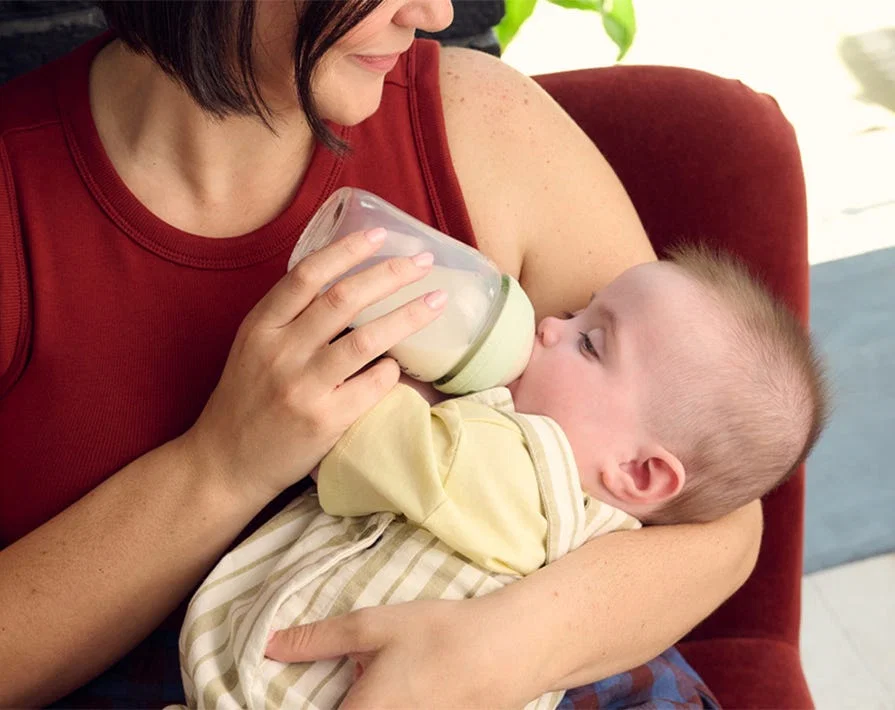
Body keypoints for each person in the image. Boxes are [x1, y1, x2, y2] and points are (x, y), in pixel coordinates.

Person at [0, 1, 765, 707]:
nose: (432, 12)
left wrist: (506, 648)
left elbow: (715, 520)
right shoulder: (19, 205)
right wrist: (223, 464)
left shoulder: (486, 125)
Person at [176, 246, 828, 709]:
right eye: (576, 311)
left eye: (589, 343)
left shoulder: (518, 472)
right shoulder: (598, 530)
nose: (548, 325)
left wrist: (393, 355)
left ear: (638, 471)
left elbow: (346, 429)